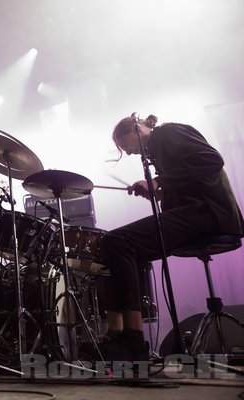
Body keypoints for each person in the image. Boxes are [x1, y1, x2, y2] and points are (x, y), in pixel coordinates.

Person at [98, 113, 244, 361]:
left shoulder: (168, 132)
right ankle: (128, 339)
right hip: (199, 212)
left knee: (115, 241)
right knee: (126, 249)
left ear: (137, 128)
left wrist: (158, 181)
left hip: (208, 213)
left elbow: (211, 160)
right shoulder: (158, 150)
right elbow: (189, 180)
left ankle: (129, 338)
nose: (131, 153)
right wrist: (160, 190)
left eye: (127, 145)